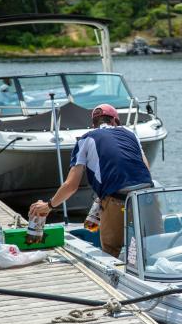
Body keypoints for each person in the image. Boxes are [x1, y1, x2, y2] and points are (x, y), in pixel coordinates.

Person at [29, 104, 152, 257]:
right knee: (153, 247)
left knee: (111, 254)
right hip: (147, 196)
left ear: (94, 124)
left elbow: (71, 185)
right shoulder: (131, 133)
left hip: (117, 199)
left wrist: (49, 206)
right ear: (115, 121)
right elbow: (146, 170)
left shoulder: (86, 139)